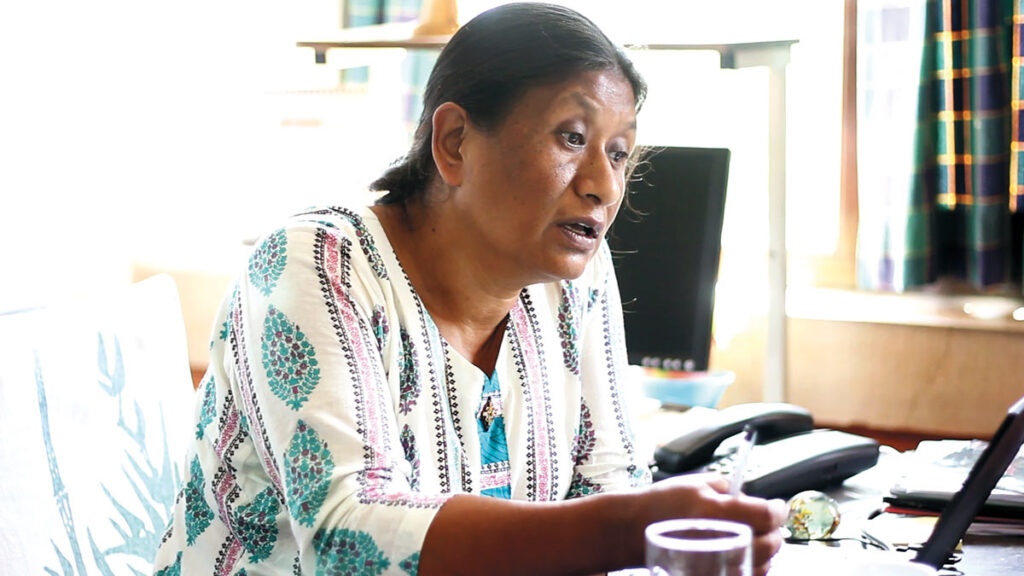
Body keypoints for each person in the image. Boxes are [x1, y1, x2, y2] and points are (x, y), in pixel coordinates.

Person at [152, 3, 787, 575]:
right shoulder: (314, 267)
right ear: (455, 142)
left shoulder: (576, 276)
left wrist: (643, 523)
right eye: (572, 137)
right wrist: (629, 529)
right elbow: (349, 538)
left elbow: (607, 481)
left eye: (618, 152)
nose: (603, 185)